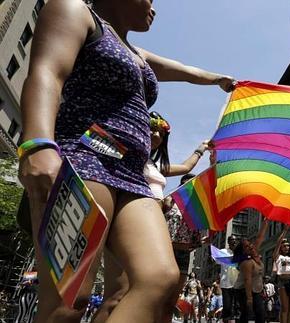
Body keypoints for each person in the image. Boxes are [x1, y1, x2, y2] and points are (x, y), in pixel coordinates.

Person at [18, 0, 235, 321]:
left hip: (133, 176)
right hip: (83, 159)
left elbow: (187, 72)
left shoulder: (139, 55)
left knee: (159, 278)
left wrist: (220, 80)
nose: (155, 8)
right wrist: (37, 145)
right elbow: (47, 71)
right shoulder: (75, 11)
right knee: (68, 302)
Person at [94, 112, 212, 323]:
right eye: (150, 127)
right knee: (118, 294)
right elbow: (95, 143)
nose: (155, 134)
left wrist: (201, 148)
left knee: (139, 290)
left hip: (147, 228)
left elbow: (186, 168)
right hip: (127, 224)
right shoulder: (127, 154)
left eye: (160, 132)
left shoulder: (155, 166)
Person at [233, 218, 270, 323]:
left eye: (250, 244)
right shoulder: (247, 263)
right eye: (246, 247)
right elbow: (247, 280)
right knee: (246, 313)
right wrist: (249, 298)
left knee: (260, 314)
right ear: (243, 252)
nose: (250, 246)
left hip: (255, 290)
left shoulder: (254, 251)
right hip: (243, 290)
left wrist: (266, 222)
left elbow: (260, 237)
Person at [221, 235, 240, 323]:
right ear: (228, 242)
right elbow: (214, 259)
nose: (234, 241)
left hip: (238, 284)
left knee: (237, 306)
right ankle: (225, 320)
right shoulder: (223, 251)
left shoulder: (240, 253)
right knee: (227, 306)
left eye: (235, 240)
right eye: (232, 240)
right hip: (226, 283)